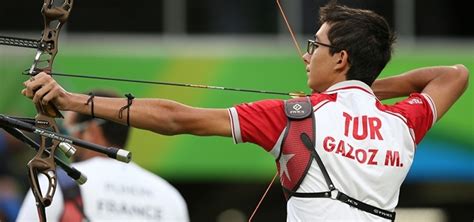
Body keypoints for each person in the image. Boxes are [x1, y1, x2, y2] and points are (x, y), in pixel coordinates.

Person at [21, 2, 469, 222]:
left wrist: (72, 101)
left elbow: (178, 118)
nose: (307, 54)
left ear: (342, 59)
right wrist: (366, 91)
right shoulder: (402, 124)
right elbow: (455, 74)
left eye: (316, 46)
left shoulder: (296, 116)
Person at [16, 90, 189, 222]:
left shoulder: (53, 183)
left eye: (68, 132)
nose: (64, 140)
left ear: (92, 131)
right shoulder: (168, 194)